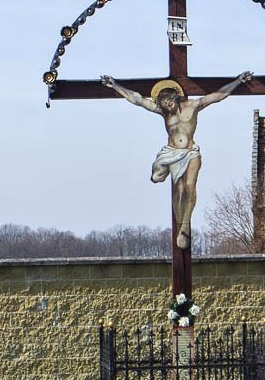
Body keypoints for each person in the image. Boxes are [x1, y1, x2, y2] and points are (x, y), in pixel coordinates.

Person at [100, 72, 254, 248]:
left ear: (175, 97)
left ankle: (184, 226)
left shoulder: (193, 106)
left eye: (169, 102)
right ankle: (181, 225)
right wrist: (115, 86)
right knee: (179, 188)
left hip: (191, 152)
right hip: (173, 153)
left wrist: (238, 81)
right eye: (164, 104)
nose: (168, 106)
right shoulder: (164, 113)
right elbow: (138, 100)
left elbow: (218, 96)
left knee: (189, 186)